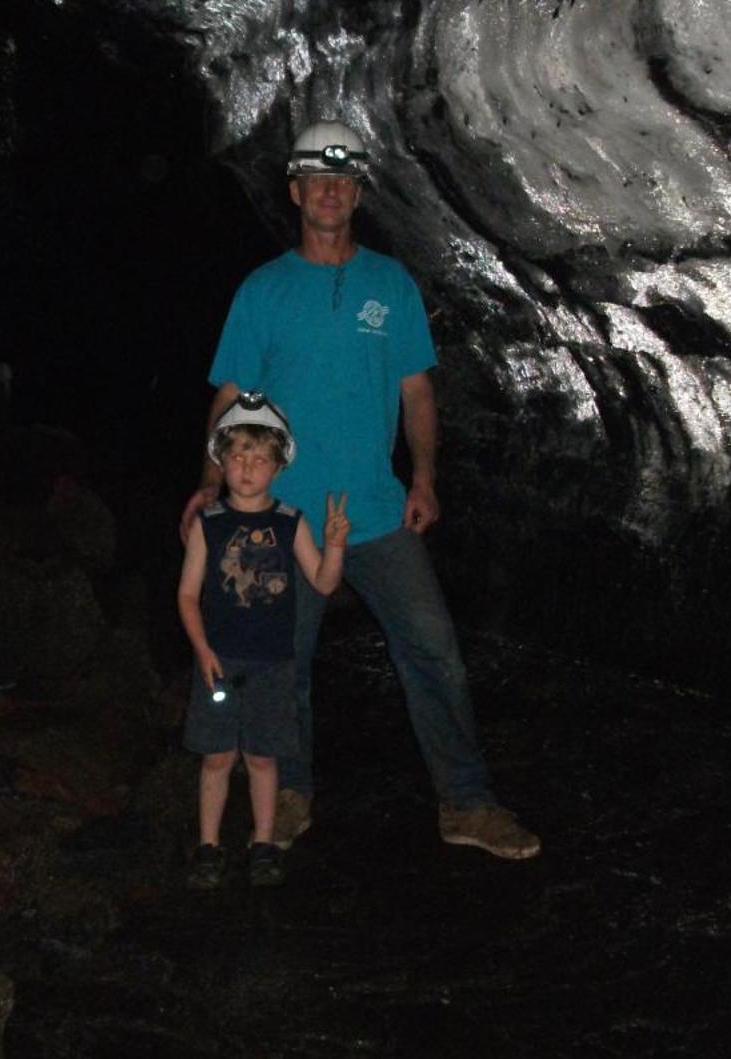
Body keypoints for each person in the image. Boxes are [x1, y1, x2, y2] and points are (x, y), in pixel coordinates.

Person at [179, 119, 540, 860]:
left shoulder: (390, 283)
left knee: (435, 650)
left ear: (358, 193)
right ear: (296, 193)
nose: (330, 192)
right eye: (317, 181)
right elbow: (231, 397)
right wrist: (210, 480)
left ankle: (466, 804)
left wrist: (427, 477)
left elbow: (417, 393)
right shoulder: (264, 289)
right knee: (282, 665)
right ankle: (290, 795)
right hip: (281, 518)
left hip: (374, 510)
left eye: (342, 181)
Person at [178, 393, 349, 889]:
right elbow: (187, 595)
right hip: (219, 660)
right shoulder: (208, 526)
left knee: (263, 757)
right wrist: (202, 650)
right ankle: (209, 845)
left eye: (259, 457)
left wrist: (334, 545)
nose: (247, 467)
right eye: (237, 456)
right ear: (222, 461)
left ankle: (264, 842)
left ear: (278, 465)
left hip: (273, 662)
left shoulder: (290, 521)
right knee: (216, 756)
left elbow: (323, 581)